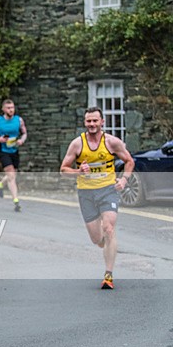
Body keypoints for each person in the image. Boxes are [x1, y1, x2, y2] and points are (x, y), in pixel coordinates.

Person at [60, 106, 134, 290]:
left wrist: (124, 180)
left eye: (95, 121)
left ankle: (108, 276)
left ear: (102, 122)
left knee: (109, 228)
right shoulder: (77, 144)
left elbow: (129, 161)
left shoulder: (112, 142)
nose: (92, 124)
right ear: (84, 123)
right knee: (96, 239)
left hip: (108, 190)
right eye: (88, 121)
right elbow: (63, 170)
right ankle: (105, 242)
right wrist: (78, 171)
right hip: (86, 193)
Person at [0, 99, 27, 212]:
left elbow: (24, 133)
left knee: (12, 175)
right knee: (12, 176)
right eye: (8, 108)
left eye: (12, 108)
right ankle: (16, 201)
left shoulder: (19, 120)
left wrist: (21, 141)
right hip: (3, 151)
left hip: (14, 150)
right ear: (3, 109)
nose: (11, 110)